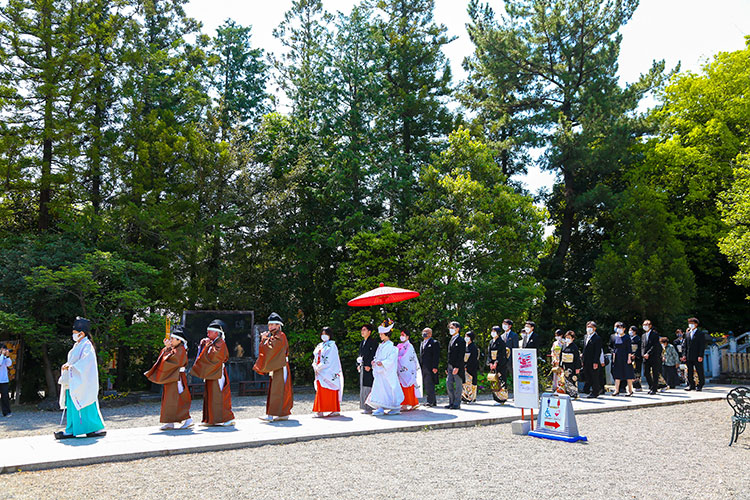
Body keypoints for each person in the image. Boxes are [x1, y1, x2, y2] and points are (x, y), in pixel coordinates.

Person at [55, 317, 106, 439]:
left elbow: (86, 363)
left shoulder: (87, 346)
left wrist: (71, 367)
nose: (73, 335)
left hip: (83, 380)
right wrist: (68, 366)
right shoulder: (78, 345)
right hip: (75, 379)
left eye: (75, 333)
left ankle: (93, 428)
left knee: (85, 403)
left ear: (81, 333)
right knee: (74, 404)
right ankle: (72, 429)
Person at [144, 326, 193, 430]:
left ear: (179, 340)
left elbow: (170, 361)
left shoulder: (181, 350)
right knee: (169, 399)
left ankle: (188, 419)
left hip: (176, 377)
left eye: (172, 339)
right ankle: (170, 421)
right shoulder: (176, 349)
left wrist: (168, 349)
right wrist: (167, 348)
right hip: (172, 376)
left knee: (178, 398)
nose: (170, 341)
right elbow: (166, 357)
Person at [190, 319, 235, 426]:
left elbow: (215, 356)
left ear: (216, 333)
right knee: (210, 395)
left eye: (209, 331)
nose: (207, 334)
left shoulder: (220, 342)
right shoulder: (213, 342)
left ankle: (227, 418)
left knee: (218, 395)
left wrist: (208, 345)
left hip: (217, 372)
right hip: (211, 372)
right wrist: (204, 345)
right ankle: (211, 419)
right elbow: (206, 354)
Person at [254, 312, 294, 422]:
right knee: (278, 389)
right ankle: (282, 413)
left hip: (280, 366)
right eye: (269, 325)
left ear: (278, 325)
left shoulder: (280, 336)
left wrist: (263, 339)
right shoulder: (276, 336)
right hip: (278, 365)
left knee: (277, 390)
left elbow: (271, 348)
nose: (270, 327)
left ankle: (272, 414)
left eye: (273, 325)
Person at [366, 320, 404, 415]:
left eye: (381, 333)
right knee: (379, 389)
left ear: (386, 333)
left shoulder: (391, 347)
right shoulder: (381, 345)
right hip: (380, 372)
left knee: (389, 388)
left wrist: (382, 363)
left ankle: (394, 407)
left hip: (386, 371)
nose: (380, 335)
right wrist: (374, 361)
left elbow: (391, 359)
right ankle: (380, 407)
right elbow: (377, 356)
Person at [312, 327, 343, 417]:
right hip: (320, 371)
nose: (323, 336)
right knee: (320, 389)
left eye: (326, 334)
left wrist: (320, 366)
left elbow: (329, 359)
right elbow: (315, 356)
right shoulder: (319, 345)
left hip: (328, 371)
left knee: (330, 389)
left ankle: (333, 409)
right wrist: (315, 365)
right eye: (322, 334)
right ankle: (320, 410)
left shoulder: (332, 345)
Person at [397, 330, 422, 411]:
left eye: (403, 335)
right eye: (401, 335)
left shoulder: (409, 346)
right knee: (402, 386)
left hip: (408, 369)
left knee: (409, 386)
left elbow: (407, 358)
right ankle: (404, 404)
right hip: (401, 369)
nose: (401, 336)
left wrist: (398, 358)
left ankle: (413, 403)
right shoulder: (399, 345)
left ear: (407, 337)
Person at [358, 323, 378, 413]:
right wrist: (358, 365)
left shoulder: (373, 342)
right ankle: (364, 406)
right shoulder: (362, 342)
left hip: (369, 367)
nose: (362, 331)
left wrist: (369, 365)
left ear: (369, 332)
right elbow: (360, 355)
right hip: (362, 366)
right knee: (363, 386)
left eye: (364, 330)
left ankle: (370, 407)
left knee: (369, 385)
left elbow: (374, 354)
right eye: (362, 330)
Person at [610, 322, 635, 396]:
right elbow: (613, 347)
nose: (619, 329)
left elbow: (629, 348)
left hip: (625, 357)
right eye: (618, 328)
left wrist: (629, 358)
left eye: (621, 328)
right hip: (617, 357)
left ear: (624, 329)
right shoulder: (615, 337)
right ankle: (616, 390)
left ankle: (630, 390)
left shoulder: (627, 337)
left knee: (628, 374)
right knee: (617, 374)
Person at [445, 321, 465, 410]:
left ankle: (457, 403)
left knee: (458, 385)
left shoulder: (461, 340)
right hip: (450, 366)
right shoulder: (451, 339)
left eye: (452, 328)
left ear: (457, 329)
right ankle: (451, 402)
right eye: (450, 328)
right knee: (448, 383)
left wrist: (457, 367)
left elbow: (461, 355)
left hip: (457, 366)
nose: (451, 330)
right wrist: (447, 367)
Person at [683, 317, 706, 391]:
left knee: (699, 370)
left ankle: (700, 385)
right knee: (689, 371)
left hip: (697, 355)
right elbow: (685, 345)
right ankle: (691, 385)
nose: (690, 325)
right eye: (689, 323)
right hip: (689, 355)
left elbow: (702, 345)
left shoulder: (700, 334)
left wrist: (700, 355)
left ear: (696, 324)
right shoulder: (687, 333)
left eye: (692, 323)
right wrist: (684, 355)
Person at [641, 319, 663, 395]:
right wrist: (643, 354)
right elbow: (642, 346)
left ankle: (654, 388)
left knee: (655, 373)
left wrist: (648, 353)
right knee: (646, 373)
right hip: (645, 357)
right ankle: (651, 386)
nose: (645, 326)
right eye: (644, 325)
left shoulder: (655, 334)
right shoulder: (643, 335)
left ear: (650, 326)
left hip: (654, 356)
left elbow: (655, 345)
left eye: (646, 325)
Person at [582, 321, 603, 399]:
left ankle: (595, 392)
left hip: (593, 360)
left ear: (594, 328)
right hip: (586, 360)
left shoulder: (597, 338)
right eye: (588, 327)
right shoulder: (585, 337)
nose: (589, 328)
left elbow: (598, 351)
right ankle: (589, 389)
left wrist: (595, 361)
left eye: (591, 327)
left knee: (594, 376)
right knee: (587, 375)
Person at [419, 327, 440, 407]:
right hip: (423, 366)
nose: (424, 333)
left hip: (430, 367)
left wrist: (435, 366)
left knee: (430, 383)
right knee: (426, 384)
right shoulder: (422, 343)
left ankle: (430, 401)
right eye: (423, 331)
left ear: (430, 334)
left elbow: (436, 355)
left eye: (427, 332)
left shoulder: (434, 342)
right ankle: (432, 401)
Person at [487, 326, 508, 403]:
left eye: (494, 331)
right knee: (494, 381)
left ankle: (502, 398)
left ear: (498, 333)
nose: (493, 333)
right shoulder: (491, 342)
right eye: (492, 331)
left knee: (501, 380)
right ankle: (496, 398)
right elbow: (489, 353)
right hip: (493, 363)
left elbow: (501, 354)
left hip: (500, 364)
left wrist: (496, 362)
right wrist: (490, 363)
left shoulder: (501, 342)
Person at [560, 331, 581, 399]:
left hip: (572, 365)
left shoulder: (574, 347)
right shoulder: (564, 346)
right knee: (566, 379)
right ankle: (568, 393)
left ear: (573, 338)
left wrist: (578, 367)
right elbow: (561, 355)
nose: (567, 339)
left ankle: (574, 394)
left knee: (572, 379)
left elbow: (577, 358)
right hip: (565, 365)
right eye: (566, 337)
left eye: (569, 338)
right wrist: (561, 364)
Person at [462, 331, 479, 404]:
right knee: (464, 383)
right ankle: (465, 397)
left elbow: (473, 359)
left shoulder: (473, 347)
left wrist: (466, 366)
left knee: (471, 382)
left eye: (468, 336)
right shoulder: (464, 346)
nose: (466, 338)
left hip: (471, 367)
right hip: (464, 367)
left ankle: (472, 398)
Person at [628, 326, 643, 391]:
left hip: (637, 357)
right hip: (630, 356)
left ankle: (638, 386)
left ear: (635, 331)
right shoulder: (628, 338)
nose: (630, 332)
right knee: (631, 371)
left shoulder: (638, 339)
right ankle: (634, 385)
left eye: (632, 330)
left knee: (637, 371)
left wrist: (635, 354)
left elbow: (639, 348)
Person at [0, 344, 12, 417]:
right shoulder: (1, 357)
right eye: (3, 349)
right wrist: (2, 355)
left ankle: (6, 412)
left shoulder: (4, 357)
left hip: (4, 380)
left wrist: (7, 356)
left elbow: (9, 364)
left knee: (5, 396)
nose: (4, 351)